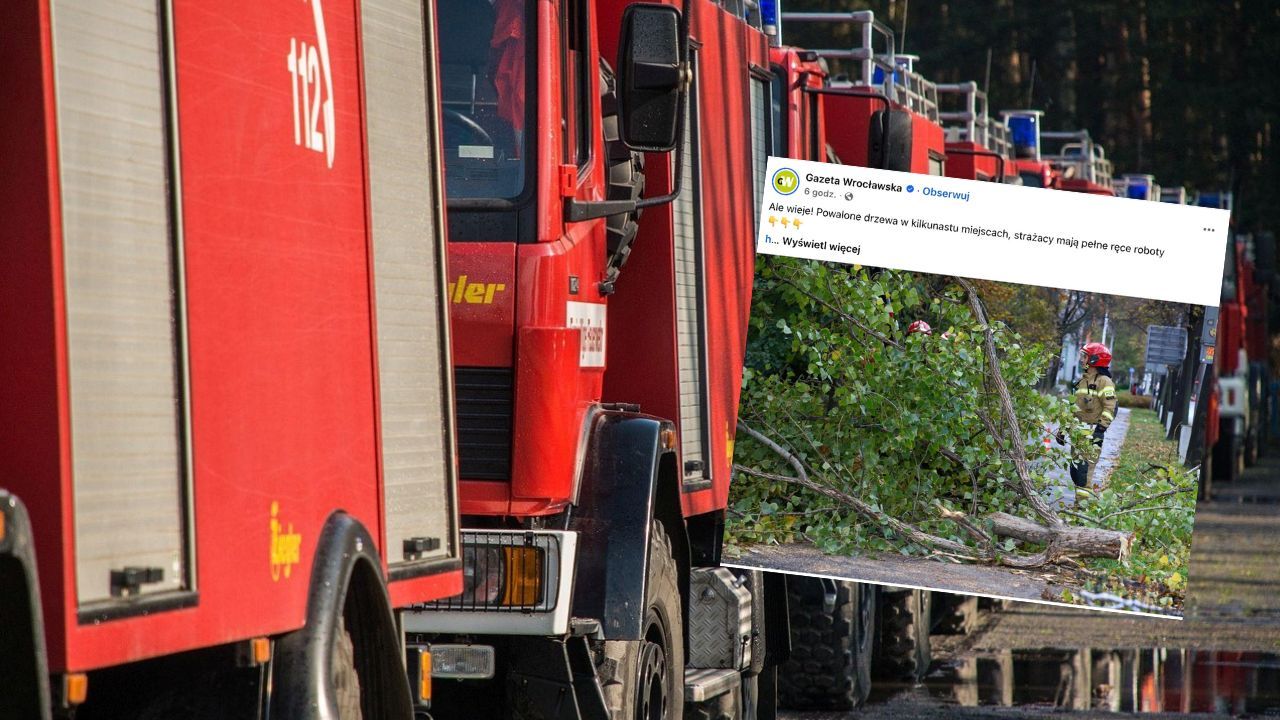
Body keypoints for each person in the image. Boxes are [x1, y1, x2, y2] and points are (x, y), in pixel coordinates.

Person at [1069, 342, 1117, 488]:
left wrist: (1100, 429)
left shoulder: (1104, 382)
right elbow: (1074, 409)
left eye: (1084, 357)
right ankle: (1080, 499)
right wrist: (1063, 430)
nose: (1081, 360)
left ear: (1094, 360)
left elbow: (1110, 406)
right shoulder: (1082, 381)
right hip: (1077, 434)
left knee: (1084, 475)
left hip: (1092, 434)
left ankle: (1083, 501)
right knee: (1075, 473)